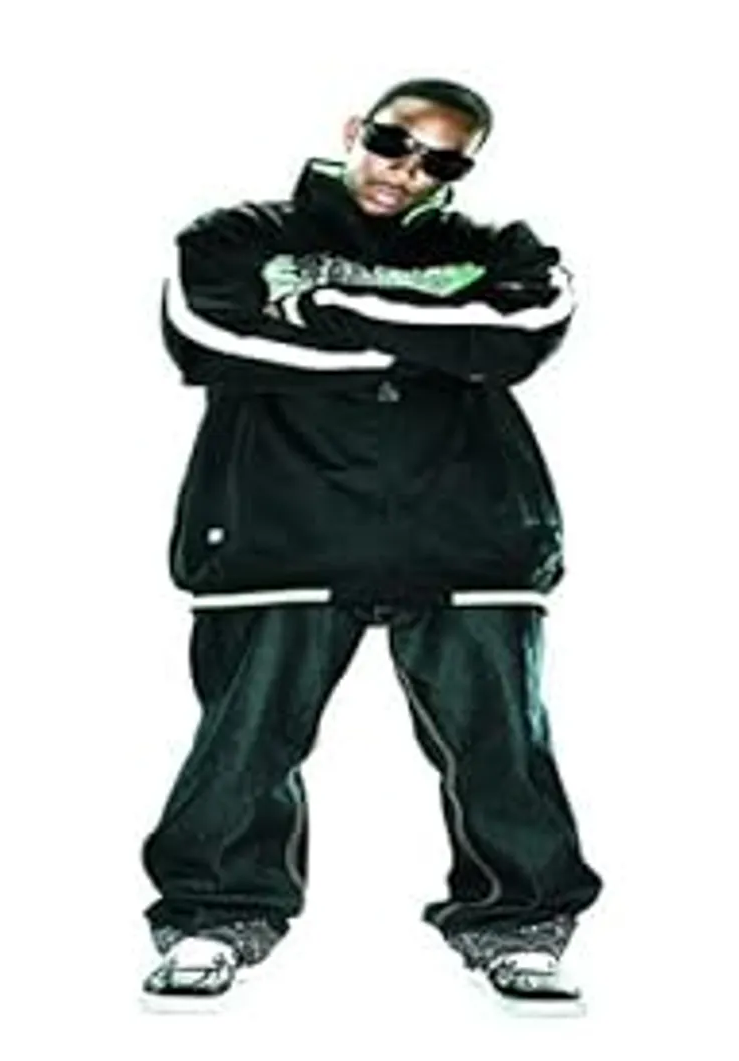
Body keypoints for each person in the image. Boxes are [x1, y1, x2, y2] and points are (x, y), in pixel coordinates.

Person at [139, 76, 603, 1012]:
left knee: (501, 749)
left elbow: (523, 333)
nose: (406, 170)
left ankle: (520, 926)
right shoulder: (236, 236)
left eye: (441, 162)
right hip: (279, 526)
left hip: (469, 526)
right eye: (393, 142)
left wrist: (321, 308)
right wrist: (440, 349)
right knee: (243, 745)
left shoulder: (499, 249)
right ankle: (213, 918)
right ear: (357, 129)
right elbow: (206, 339)